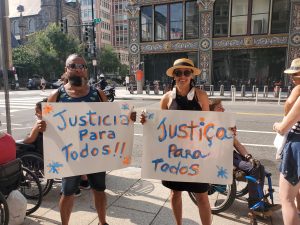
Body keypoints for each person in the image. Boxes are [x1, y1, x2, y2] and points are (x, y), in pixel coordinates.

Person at [141, 58, 211, 225]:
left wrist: (227, 130)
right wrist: (147, 121)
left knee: (202, 195)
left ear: (192, 75)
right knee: (175, 193)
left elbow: (210, 124)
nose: (182, 76)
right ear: (173, 76)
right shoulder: (166, 98)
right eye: (178, 73)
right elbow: (161, 127)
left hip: (195, 155)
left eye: (187, 72)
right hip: (174, 155)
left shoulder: (201, 96)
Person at [41, 53, 110, 225]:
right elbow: (48, 126)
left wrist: (127, 119)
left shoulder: (98, 94)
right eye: (73, 66)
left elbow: (112, 121)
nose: (78, 69)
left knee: (99, 190)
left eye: (82, 66)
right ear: (66, 70)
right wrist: (43, 127)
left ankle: (103, 222)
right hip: (69, 154)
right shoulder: (56, 96)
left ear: (86, 71)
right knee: (68, 192)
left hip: (94, 153)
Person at [210, 99, 281, 214]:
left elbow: (237, 144)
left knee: (259, 166)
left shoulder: (225, 124)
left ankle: (260, 200)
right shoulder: (207, 128)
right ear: (211, 111)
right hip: (220, 158)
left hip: (231, 155)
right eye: (219, 107)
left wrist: (249, 157)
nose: (223, 109)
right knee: (253, 169)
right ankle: (254, 204)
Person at [273, 58, 300, 225]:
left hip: (297, 146)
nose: (292, 78)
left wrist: (276, 125)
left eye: (295, 75)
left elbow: (284, 127)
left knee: (287, 198)